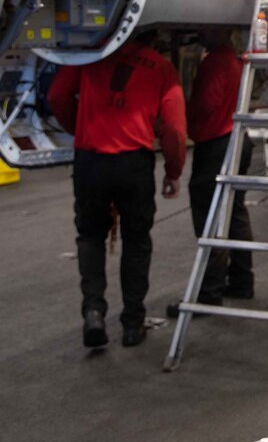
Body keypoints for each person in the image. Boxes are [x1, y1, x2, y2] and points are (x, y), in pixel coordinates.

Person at [48, 31, 187, 348]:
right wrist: (173, 171)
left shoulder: (90, 53)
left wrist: (80, 128)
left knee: (90, 236)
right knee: (137, 242)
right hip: (133, 165)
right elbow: (175, 129)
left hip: (91, 161)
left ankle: (94, 311)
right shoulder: (160, 67)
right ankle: (132, 323)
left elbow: (57, 96)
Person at [185, 27, 254, 306]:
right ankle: (241, 281)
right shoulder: (234, 59)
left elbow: (206, 104)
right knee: (234, 211)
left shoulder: (214, 61)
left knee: (210, 214)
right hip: (237, 140)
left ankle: (209, 291)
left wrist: (182, 117)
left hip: (217, 143)